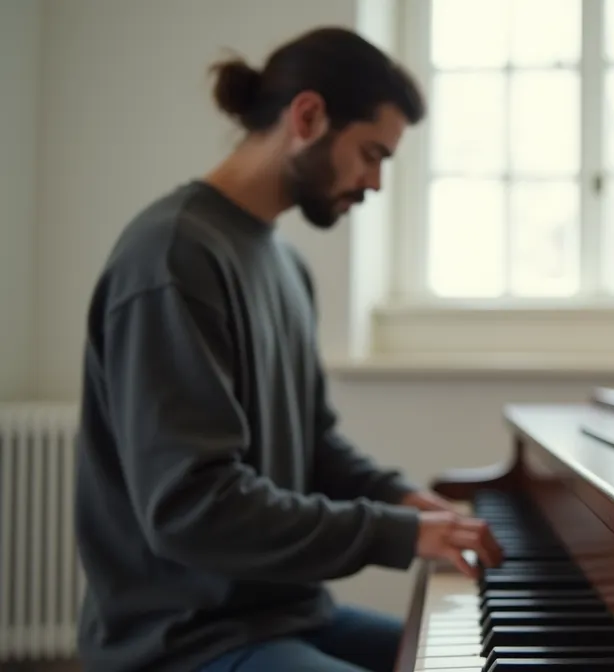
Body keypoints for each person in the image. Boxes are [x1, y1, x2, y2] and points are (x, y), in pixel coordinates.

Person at [72, 26, 502, 672]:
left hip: (287, 615)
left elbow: (314, 446)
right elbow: (194, 507)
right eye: (371, 154)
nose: (375, 182)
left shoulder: (284, 265)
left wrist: (401, 498)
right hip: (183, 642)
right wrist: (398, 534)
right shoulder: (173, 256)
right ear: (307, 117)